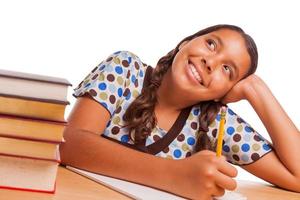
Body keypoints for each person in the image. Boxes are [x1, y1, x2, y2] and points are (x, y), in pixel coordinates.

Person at [60, 24, 300, 200]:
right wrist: (175, 175)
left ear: (224, 93)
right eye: (211, 44)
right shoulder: (125, 69)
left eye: (227, 70)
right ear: (185, 43)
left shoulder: (216, 122)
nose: (211, 62)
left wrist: (256, 90)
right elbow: (69, 143)